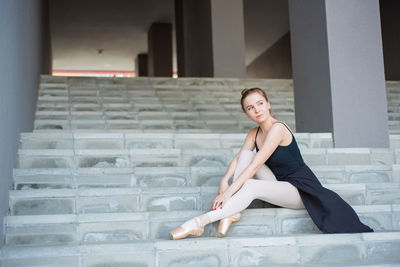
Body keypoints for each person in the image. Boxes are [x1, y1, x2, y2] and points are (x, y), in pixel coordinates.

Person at [169, 87, 373, 240]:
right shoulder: (254, 133)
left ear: (268, 104)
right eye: (250, 108)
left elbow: (255, 166)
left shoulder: (278, 129)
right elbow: (241, 159)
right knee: (245, 156)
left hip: (301, 191)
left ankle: (199, 222)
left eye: (259, 103)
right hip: (278, 185)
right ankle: (233, 212)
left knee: (250, 181)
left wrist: (228, 193)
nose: (256, 110)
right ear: (246, 113)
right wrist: (224, 181)